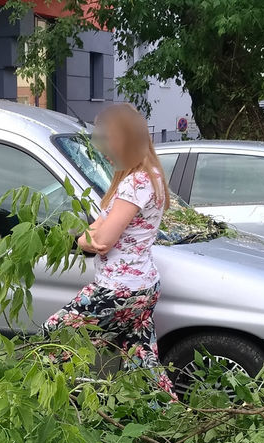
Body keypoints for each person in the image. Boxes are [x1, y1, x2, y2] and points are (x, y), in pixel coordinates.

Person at [42, 103, 174, 396]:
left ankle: (60, 405)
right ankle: (169, 420)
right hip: (143, 286)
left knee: (54, 337)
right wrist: (92, 234)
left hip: (118, 289)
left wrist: (80, 240)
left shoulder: (136, 182)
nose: (102, 149)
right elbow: (99, 226)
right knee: (142, 363)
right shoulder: (149, 175)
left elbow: (101, 239)